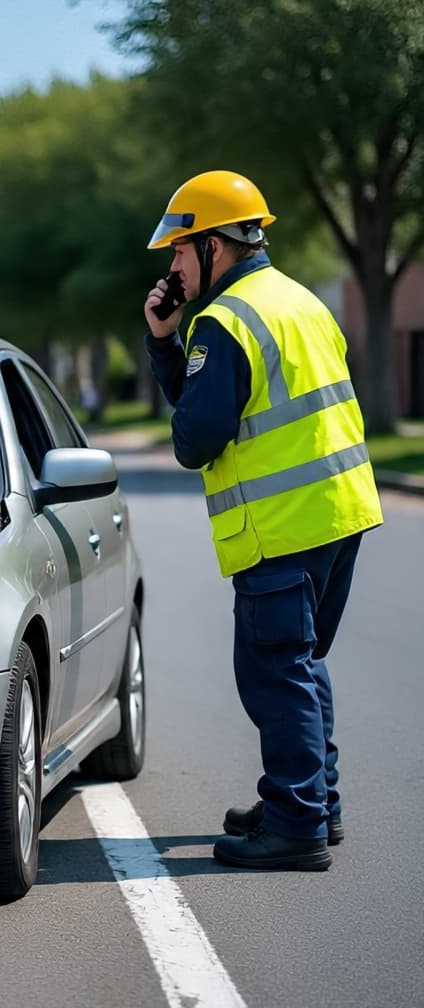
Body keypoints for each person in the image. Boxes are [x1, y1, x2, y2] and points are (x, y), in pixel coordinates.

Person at [143, 169, 382, 872]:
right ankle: (309, 801)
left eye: (180, 253)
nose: (173, 268)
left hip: (283, 526)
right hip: (340, 515)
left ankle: (296, 824)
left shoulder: (225, 321)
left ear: (215, 245)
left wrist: (164, 342)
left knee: (274, 672)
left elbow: (193, 439)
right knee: (301, 667)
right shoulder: (299, 301)